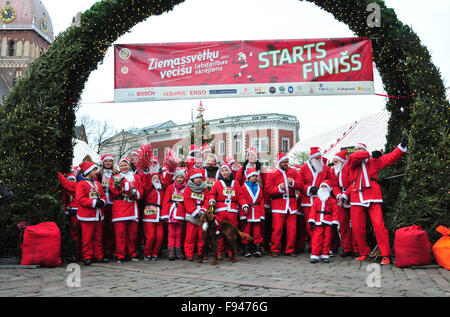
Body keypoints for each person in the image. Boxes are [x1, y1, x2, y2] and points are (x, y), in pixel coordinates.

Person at [342, 138, 408, 265]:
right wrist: (370, 153)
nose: (357, 151)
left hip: (372, 195)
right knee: (357, 227)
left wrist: (400, 147)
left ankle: (385, 254)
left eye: (360, 149)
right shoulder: (352, 161)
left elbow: (389, 158)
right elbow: (354, 158)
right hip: (356, 196)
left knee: (379, 226)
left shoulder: (372, 162)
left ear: (365, 150)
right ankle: (363, 252)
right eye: (355, 149)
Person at [109, 157, 144, 263]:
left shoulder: (136, 177)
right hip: (120, 207)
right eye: (122, 165)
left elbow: (140, 191)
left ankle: (132, 253)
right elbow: (114, 190)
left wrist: (134, 192)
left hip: (132, 207)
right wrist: (127, 186)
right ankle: (120, 255)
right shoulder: (115, 177)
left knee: (132, 234)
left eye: (126, 165)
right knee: (120, 234)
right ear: (119, 167)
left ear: (129, 166)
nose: (124, 167)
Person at [296, 147, 331, 248]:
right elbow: (300, 184)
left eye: (320, 158)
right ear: (311, 159)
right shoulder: (303, 169)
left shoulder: (326, 168)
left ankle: (323, 246)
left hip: (321, 200)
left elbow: (330, 181)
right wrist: (309, 189)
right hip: (308, 201)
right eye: (317, 158)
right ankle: (316, 245)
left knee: (322, 224)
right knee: (310, 225)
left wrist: (324, 186)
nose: (319, 160)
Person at [266, 152, 299, 257]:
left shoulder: (293, 172)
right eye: (284, 162)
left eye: (287, 162)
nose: (286, 164)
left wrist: (293, 183)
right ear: (279, 163)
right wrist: (279, 187)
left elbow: (300, 184)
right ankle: (275, 249)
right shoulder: (273, 173)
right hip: (278, 205)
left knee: (292, 229)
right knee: (277, 228)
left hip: (291, 205)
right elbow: (268, 190)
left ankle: (290, 249)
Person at [75, 161, 107, 265]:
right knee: (87, 237)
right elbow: (80, 199)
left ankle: (98, 255)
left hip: (98, 214)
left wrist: (102, 201)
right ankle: (87, 256)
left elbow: (102, 195)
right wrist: (94, 203)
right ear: (88, 171)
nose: (96, 172)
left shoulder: (97, 183)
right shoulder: (81, 184)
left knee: (98, 237)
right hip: (87, 215)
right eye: (94, 170)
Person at [208, 163, 242, 258]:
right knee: (219, 231)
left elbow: (240, 196)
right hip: (221, 210)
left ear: (230, 171)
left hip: (232, 211)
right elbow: (212, 194)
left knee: (231, 232)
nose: (224, 172)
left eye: (226, 170)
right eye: (222, 171)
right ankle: (219, 252)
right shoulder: (217, 183)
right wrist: (212, 201)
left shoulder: (235, 183)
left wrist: (244, 205)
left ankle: (230, 251)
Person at [329, 150, 356, 257]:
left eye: (335, 162)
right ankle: (346, 247)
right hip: (341, 198)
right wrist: (339, 195)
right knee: (343, 224)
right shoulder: (335, 171)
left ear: (341, 162)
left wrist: (345, 195)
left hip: (352, 196)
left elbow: (353, 183)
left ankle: (356, 247)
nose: (334, 164)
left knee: (355, 224)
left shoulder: (348, 168)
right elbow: (334, 185)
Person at [308, 181, 339, 263]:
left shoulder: (332, 201)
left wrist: (335, 222)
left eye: (325, 187)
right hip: (318, 222)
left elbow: (335, 211)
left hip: (328, 222)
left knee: (327, 239)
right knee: (316, 239)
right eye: (322, 187)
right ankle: (315, 255)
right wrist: (312, 220)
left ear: (328, 189)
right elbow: (313, 210)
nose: (323, 188)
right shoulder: (317, 200)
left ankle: (325, 254)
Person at [183, 168, 209, 261]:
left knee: (202, 236)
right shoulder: (188, 189)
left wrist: (203, 210)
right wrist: (195, 212)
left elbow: (207, 200)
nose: (198, 179)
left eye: (200, 178)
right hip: (192, 216)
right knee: (190, 236)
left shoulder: (205, 189)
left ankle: (201, 254)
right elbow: (187, 202)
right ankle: (189, 254)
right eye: (196, 178)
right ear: (192, 179)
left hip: (202, 215)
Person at [161, 169, 187, 260]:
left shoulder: (186, 188)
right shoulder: (171, 187)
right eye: (178, 177)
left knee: (179, 233)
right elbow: (165, 201)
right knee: (171, 233)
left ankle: (178, 250)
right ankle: (171, 250)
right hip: (171, 213)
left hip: (180, 214)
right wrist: (165, 214)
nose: (179, 179)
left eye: (181, 177)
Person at [239, 168, 265, 257]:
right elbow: (241, 197)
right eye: (252, 176)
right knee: (246, 230)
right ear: (248, 177)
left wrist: (262, 214)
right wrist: (244, 206)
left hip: (257, 212)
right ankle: (245, 248)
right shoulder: (243, 187)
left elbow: (261, 201)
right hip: (248, 211)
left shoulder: (259, 188)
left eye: (255, 176)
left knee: (257, 231)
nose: (254, 177)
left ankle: (257, 248)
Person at [96, 154, 118, 260]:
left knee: (111, 227)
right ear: (103, 163)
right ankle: (101, 250)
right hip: (102, 202)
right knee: (102, 227)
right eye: (106, 161)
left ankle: (109, 250)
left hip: (113, 202)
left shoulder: (116, 174)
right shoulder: (98, 174)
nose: (108, 163)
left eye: (110, 161)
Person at [57, 172, 81, 261]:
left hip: (74, 213)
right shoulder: (64, 191)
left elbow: (65, 183)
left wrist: (58, 173)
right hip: (69, 213)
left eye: (73, 180)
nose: (71, 182)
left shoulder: (74, 187)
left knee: (74, 233)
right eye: (69, 180)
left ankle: (76, 254)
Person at [142, 173, 165, 261]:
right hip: (148, 216)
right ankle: (147, 253)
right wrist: (147, 173)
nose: (156, 179)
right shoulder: (148, 189)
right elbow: (147, 183)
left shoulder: (162, 190)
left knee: (160, 236)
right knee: (150, 236)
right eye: (154, 178)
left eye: (158, 178)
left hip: (159, 216)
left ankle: (155, 253)